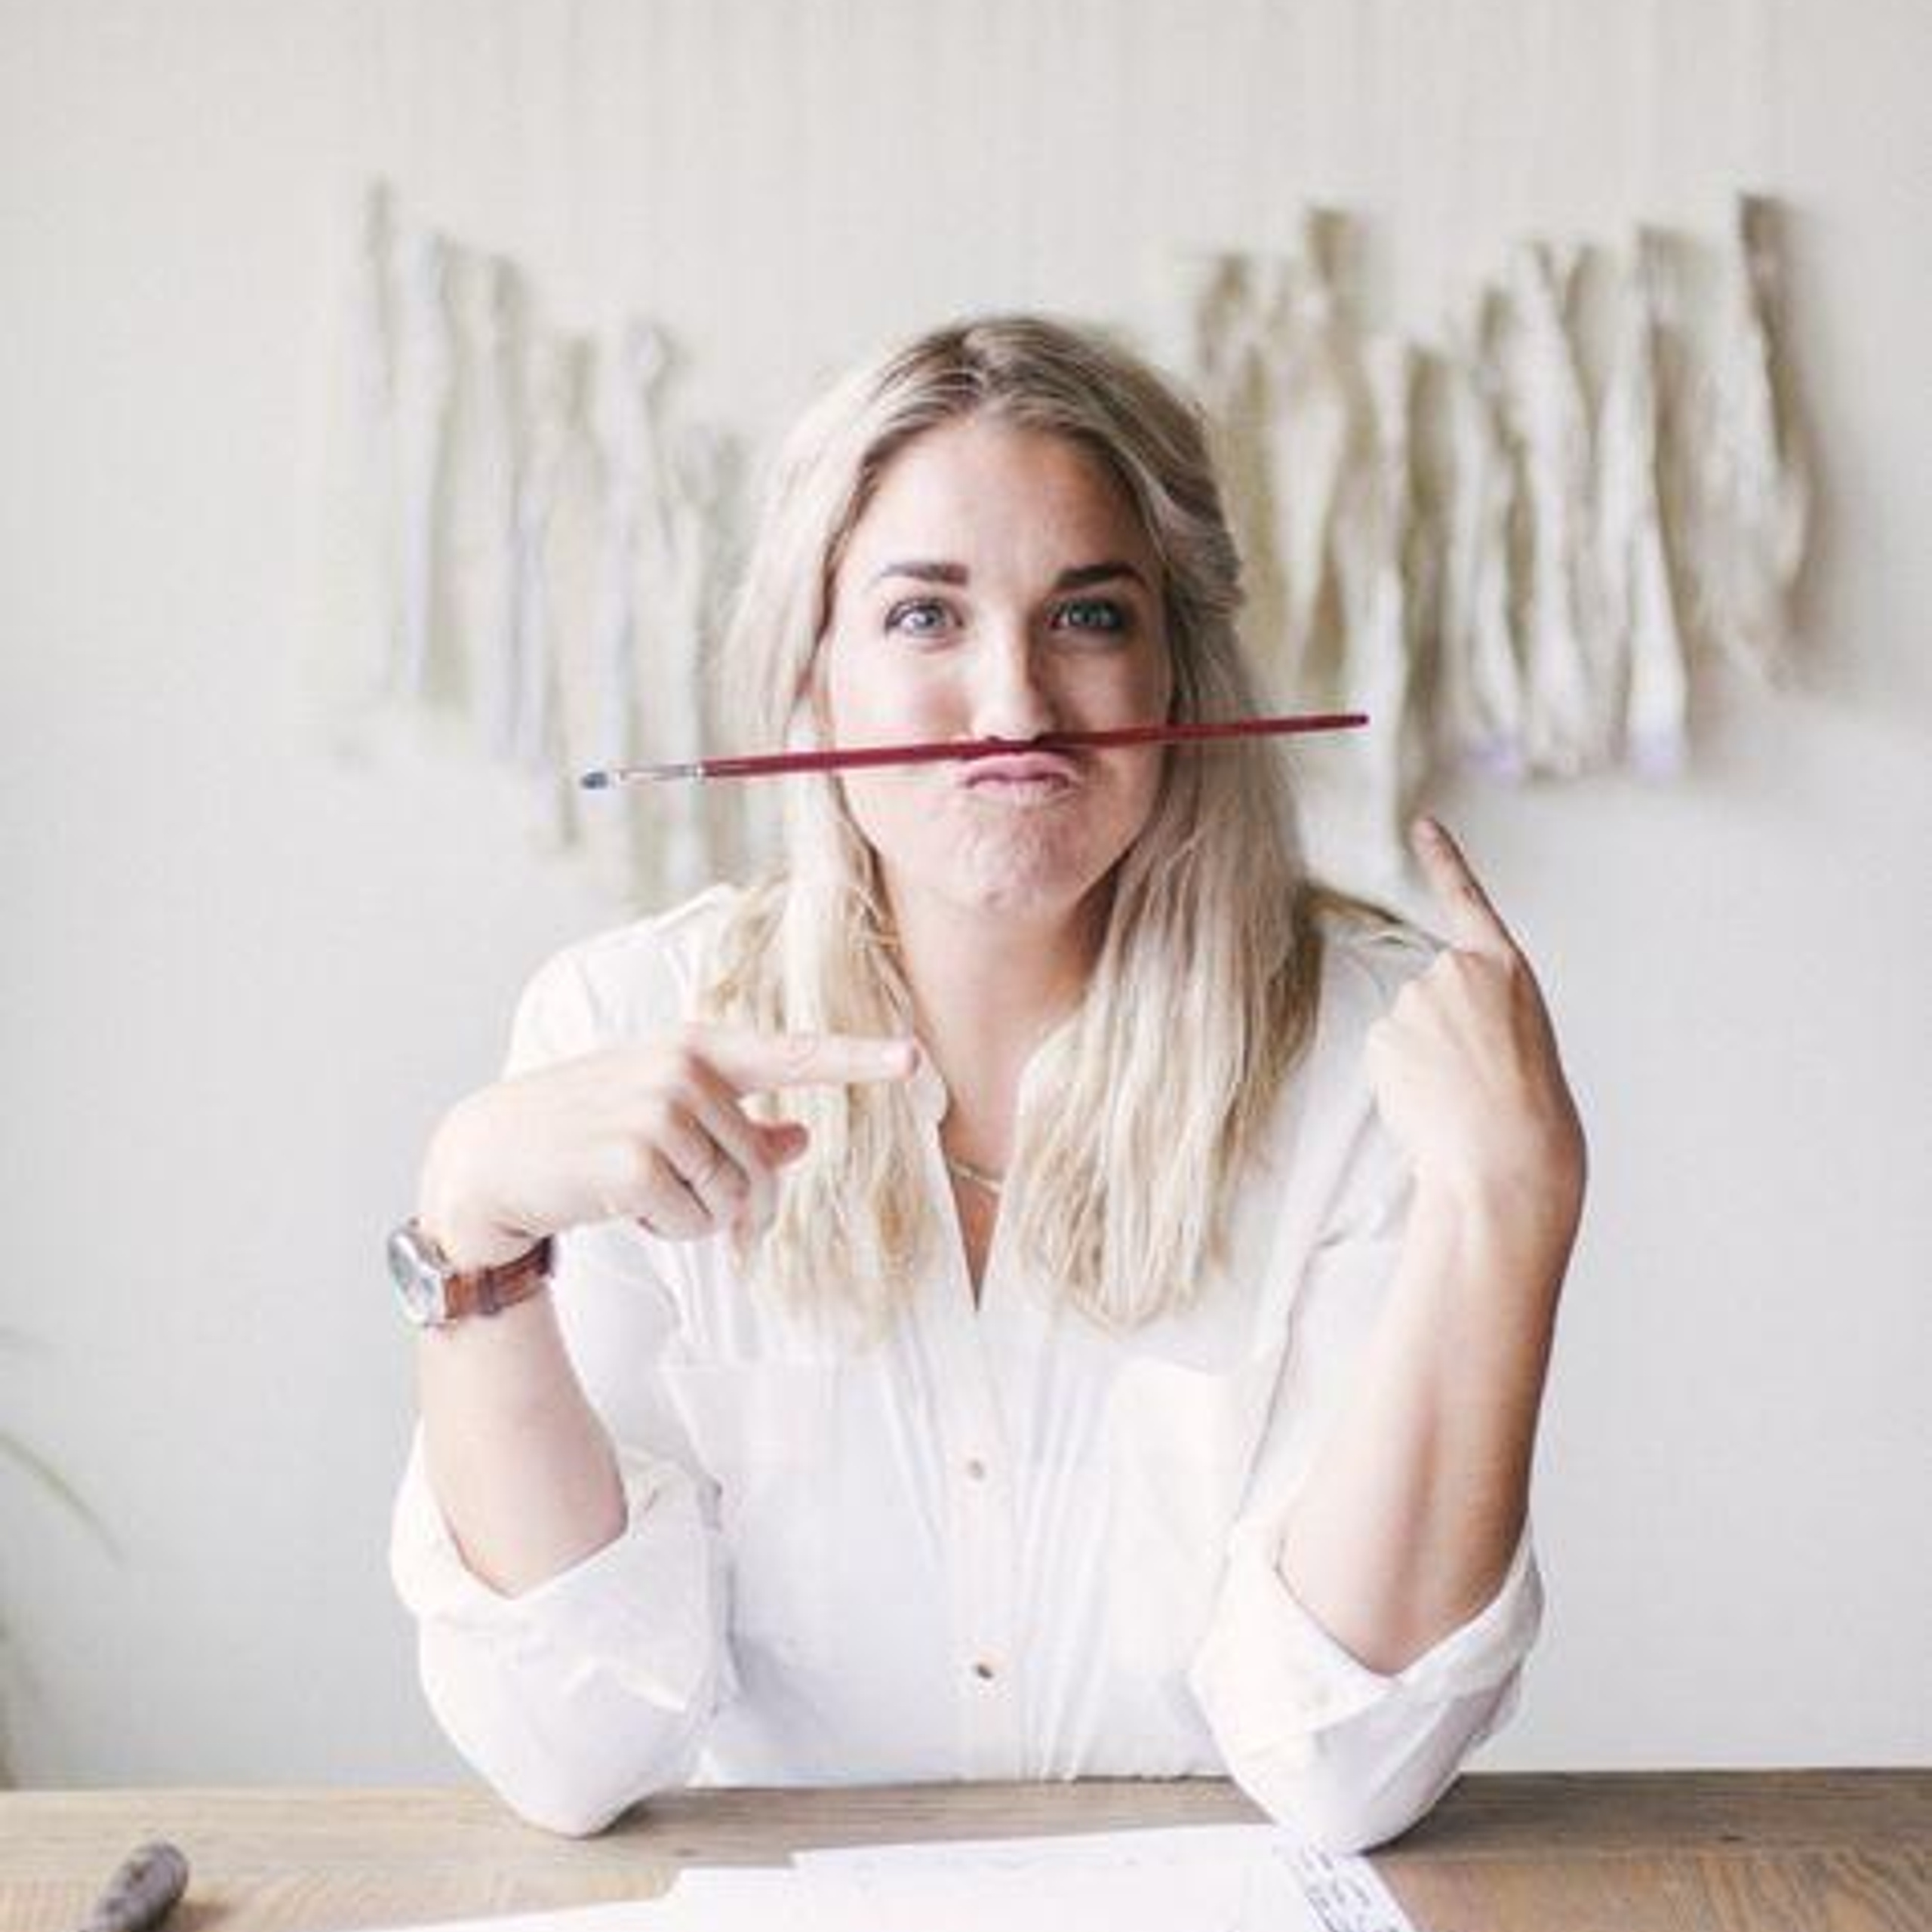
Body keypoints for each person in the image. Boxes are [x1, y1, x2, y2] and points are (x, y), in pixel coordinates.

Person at [386, 313, 1588, 1852]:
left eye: (1086, 615)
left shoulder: (1377, 1057)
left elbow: (1342, 1767)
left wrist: (1511, 1205)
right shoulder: (617, 1023)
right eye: (923, 617)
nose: (1015, 706)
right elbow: (569, 1752)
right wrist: (473, 1235)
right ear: (812, 675)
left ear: (1183, 670)